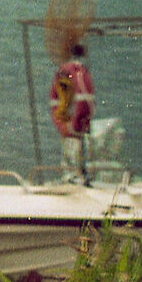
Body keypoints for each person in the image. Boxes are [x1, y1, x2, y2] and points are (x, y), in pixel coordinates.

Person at [49, 40, 94, 182]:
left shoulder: (68, 73)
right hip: (73, 124)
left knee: (72, 150)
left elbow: (61, 97)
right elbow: (82, 100)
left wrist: (67, 123)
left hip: (71, 123)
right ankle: (75, 176)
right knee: (76, 149)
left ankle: (72, 176)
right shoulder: (78, 74)